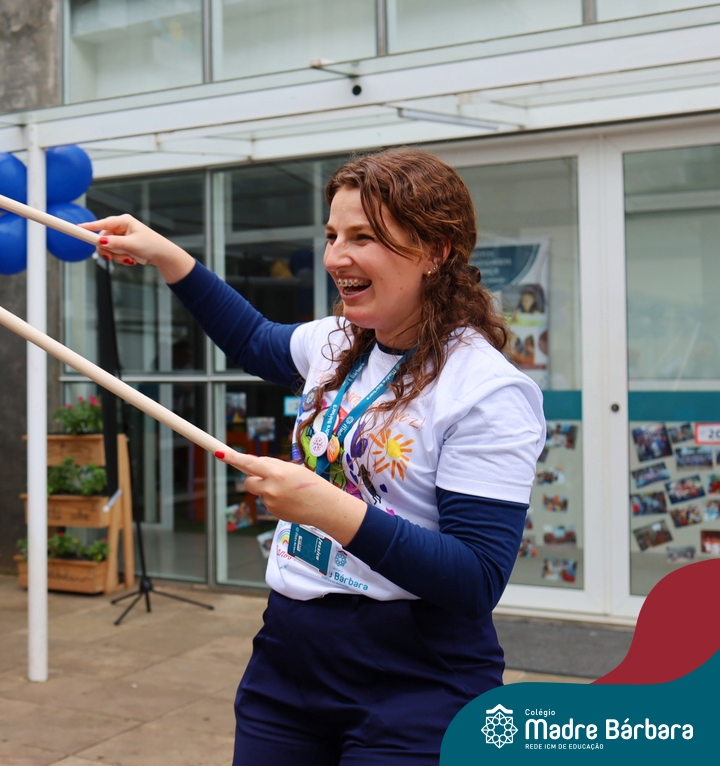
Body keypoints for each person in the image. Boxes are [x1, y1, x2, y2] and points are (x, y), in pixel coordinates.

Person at [84, 148, 545, 763]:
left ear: (437, 251)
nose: (335, 257)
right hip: (289, 658)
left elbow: (476, 579)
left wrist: (328, 509)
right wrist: (166, 256)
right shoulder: (339, 339)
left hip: (419, 679)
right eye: (332, 236)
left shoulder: (487, 391)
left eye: (364, 237)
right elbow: (253, 340)